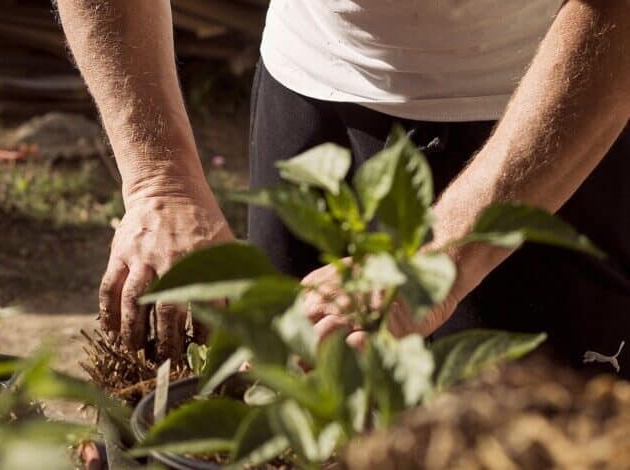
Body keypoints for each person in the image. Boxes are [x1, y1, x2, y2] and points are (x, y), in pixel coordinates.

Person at [56, 1, 629, 372]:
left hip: (546, 117)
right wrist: (161, 181)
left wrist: (436, 256)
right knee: (286, 415)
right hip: (308, 91)